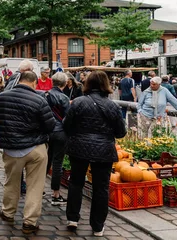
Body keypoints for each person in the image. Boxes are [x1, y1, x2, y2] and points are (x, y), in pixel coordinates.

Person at [63, 70, 127, 237]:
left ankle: (72, 218)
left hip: (79, 148)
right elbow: (121, 132)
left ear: (88, 84)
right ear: (105, 85)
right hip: (104, 150)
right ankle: (97, 226)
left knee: (76, 182)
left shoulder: (77, 102)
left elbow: (66, 126)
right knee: (101, 188)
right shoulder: (112, 106)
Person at [0, 71, 55, 235]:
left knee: (11, 182)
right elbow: (50, 126)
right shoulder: (40, 100)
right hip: (35, 147)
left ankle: (8, 212)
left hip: (11, 148)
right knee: (35, 185)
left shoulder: (2, 97)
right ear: (34, 82)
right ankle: (30, 222)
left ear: (19, 80)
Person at [45, 72, 71, 206]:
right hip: (60, 132)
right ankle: (56, 194)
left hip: (47, 132)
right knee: (57, 163)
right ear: (65, 83)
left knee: (46, 160)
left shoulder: (46, 95)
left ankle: (39, 189)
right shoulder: (64, 98)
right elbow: (67, 118)